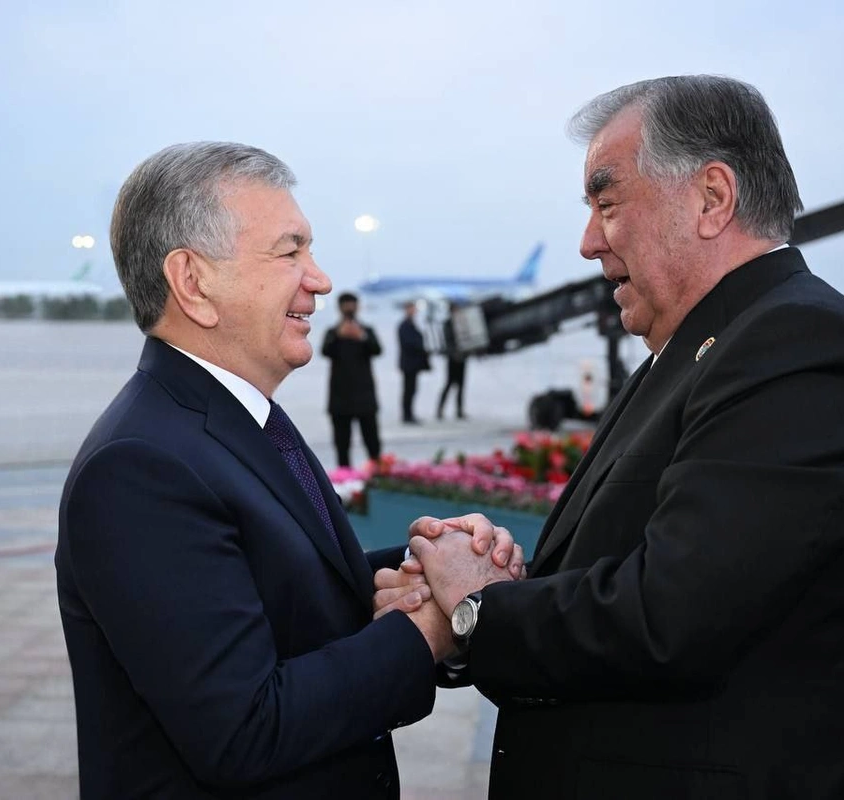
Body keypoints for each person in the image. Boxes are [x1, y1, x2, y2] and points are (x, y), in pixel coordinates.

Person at [381, 76, 844, 798]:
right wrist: (485, 583)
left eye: (607, 206)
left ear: (711, 198)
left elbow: (673, 617)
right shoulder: (701, 347)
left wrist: (478, 608)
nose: (587, 243)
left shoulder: (800, 346)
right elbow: (629, 565)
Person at [54, 142, 520, 799]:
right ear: (193, 283)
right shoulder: (138, 468)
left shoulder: (238, 417)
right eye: (289, 252)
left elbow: (292, 580)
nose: (320, 280)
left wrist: (431, 562)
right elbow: (243, 730)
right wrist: (433, 625)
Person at [321, 291, 382, 467]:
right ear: (339, 308)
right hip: (340, 397)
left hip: (365, 396)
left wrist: (361, 337)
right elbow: (325, 351)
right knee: (342, 443)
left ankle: (378, 473)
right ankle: (345, 477)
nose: (349, 309)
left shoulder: (366, 331)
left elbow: (377, 350)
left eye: (352, 305)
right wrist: (338, 336)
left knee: (372, 440)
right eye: (346, 305)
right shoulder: (332, 332)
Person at [396, 300, 429, 424]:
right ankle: (407, 415)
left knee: (411, 389)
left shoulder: (410, 324)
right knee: (408, 390)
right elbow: (409, 343)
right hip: (408, 363)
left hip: (412, 363)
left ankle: (409, 413)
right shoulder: (405, 325)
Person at [436, 301, 468, 420]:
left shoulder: (461, 323)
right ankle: (440, 410)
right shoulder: (448, 324)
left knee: (461, 385)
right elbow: (448, 341)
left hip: (461, 358)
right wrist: (454, 352)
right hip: (453, 359)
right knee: (449, 384)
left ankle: (459, 410)